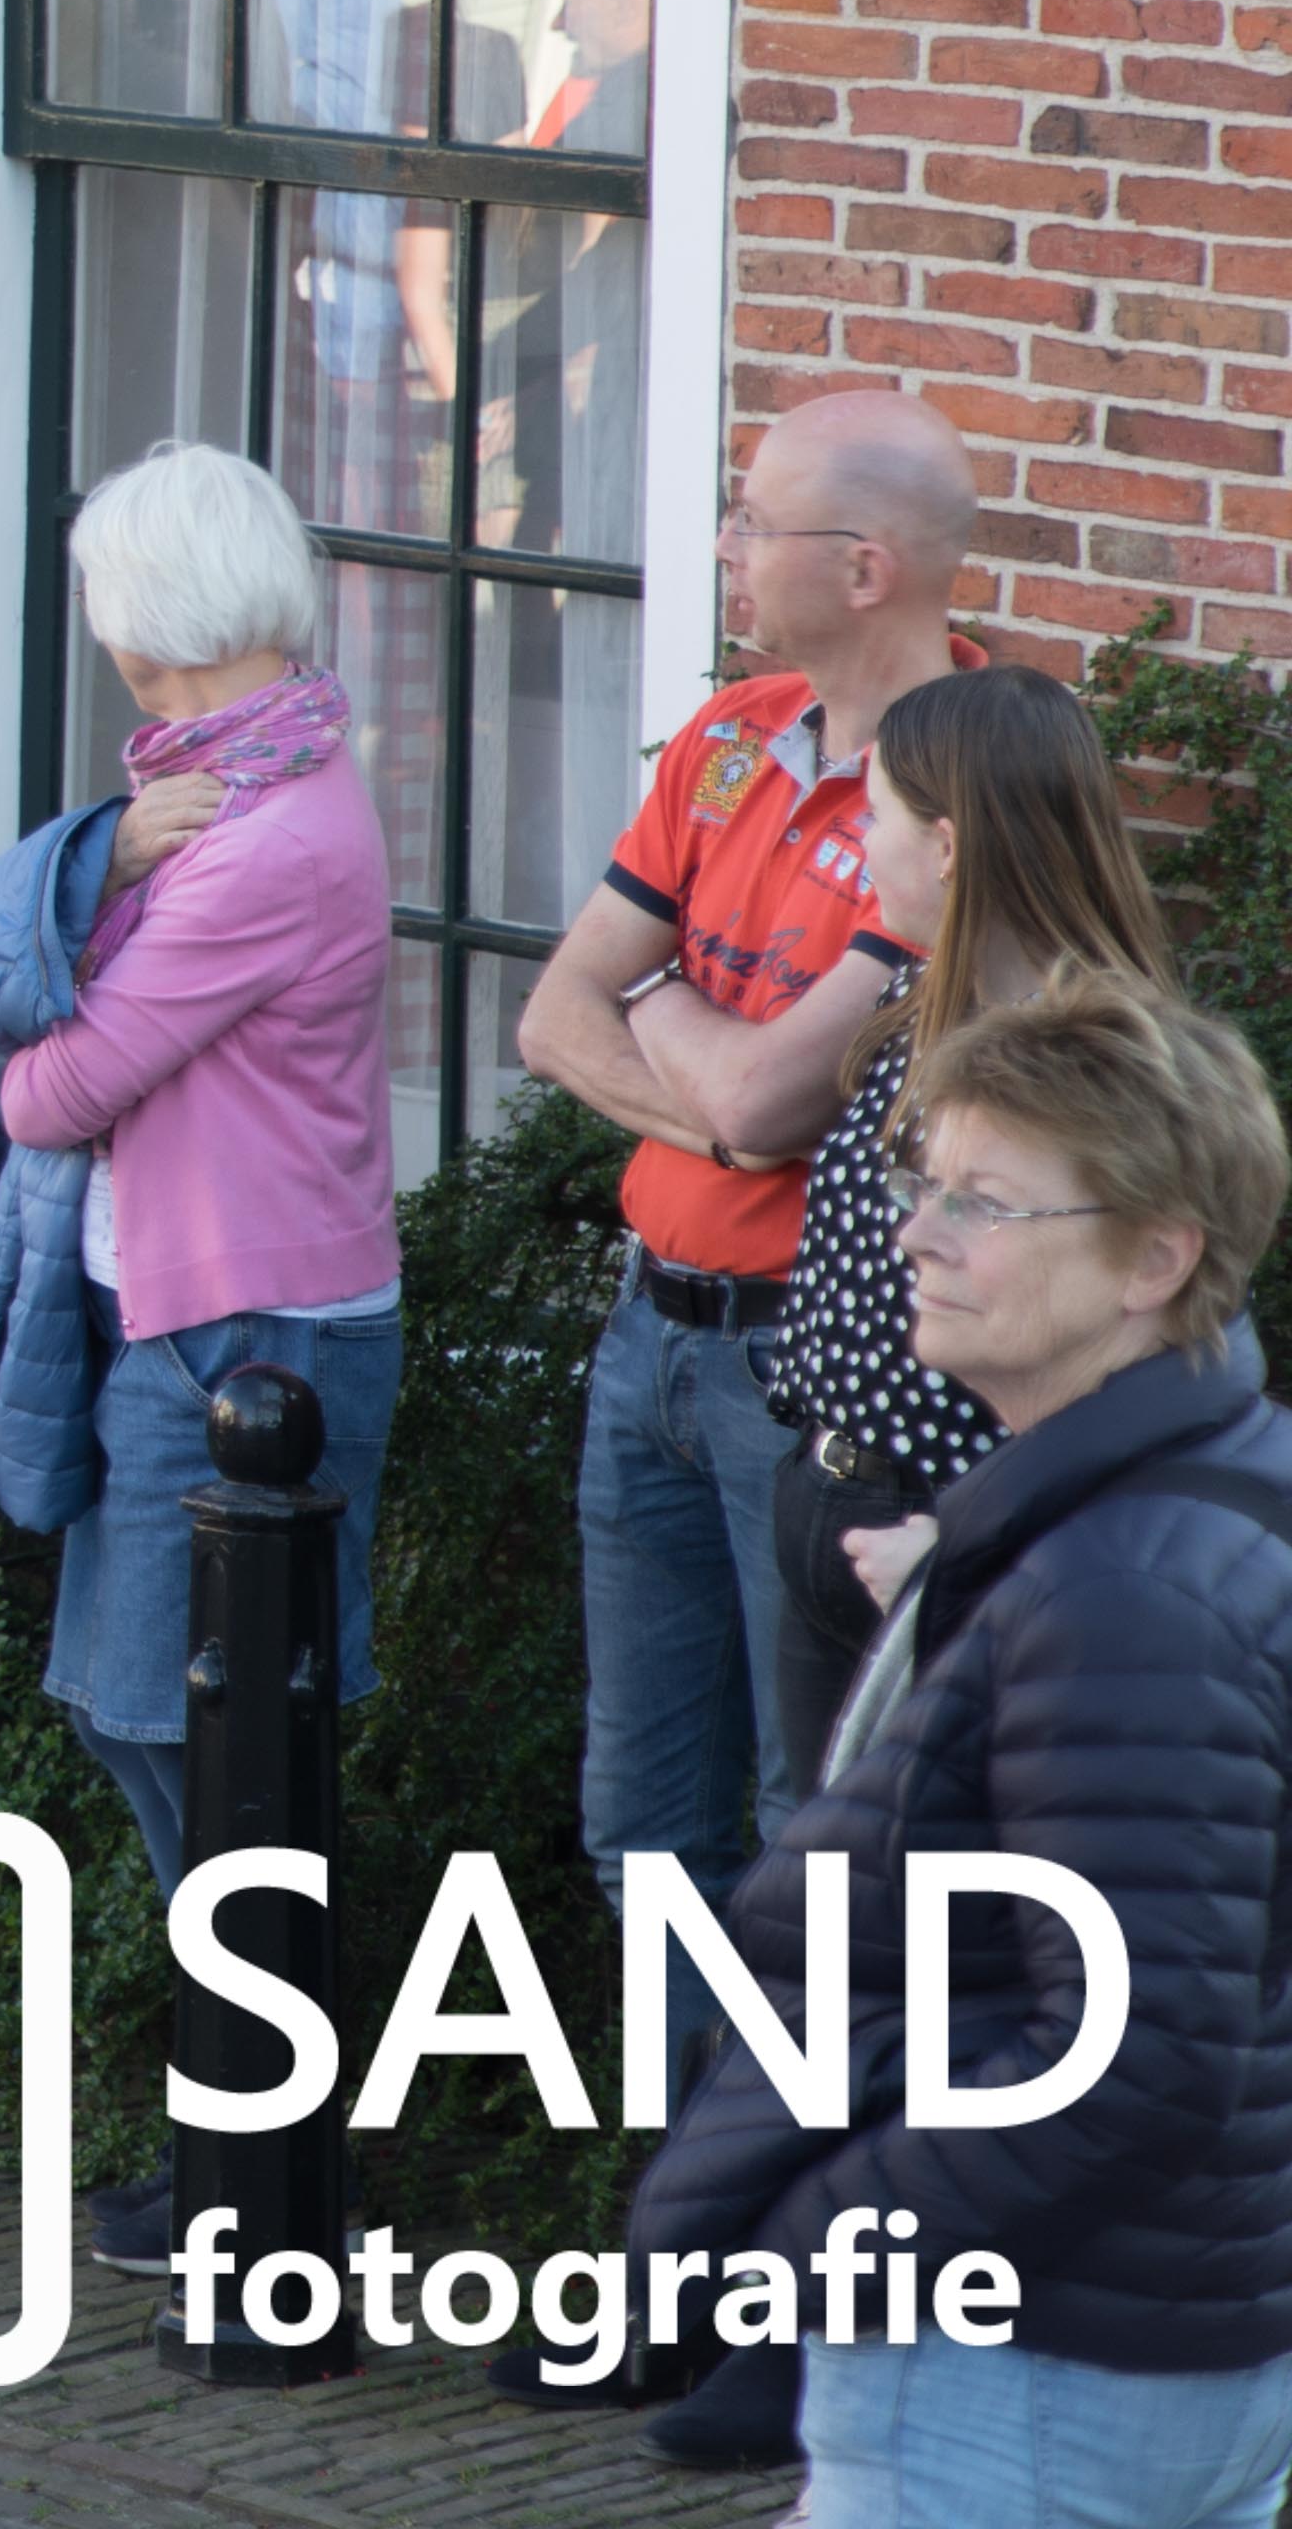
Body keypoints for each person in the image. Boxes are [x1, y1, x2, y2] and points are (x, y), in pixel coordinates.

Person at [624, 983, 1292, 2529]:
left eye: (980, 1204)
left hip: (1034, 2370)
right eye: (922, 1185)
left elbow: (1133, 2058)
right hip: (1153, 2339)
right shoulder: (1194, 1491)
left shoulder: (1124, 1587)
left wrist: (833, 2243)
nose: (914, 1233)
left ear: (1155, 1257)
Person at [496, 385, 980, 2448]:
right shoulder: (716, 740)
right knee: (646, 1827)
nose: (724, 549)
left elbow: (781, 1102)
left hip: (819, 1370)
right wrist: (718, 1058)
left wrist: (680, 1033)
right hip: (648, 1333)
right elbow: (543, 1010)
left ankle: (796, 2280)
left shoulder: (967, 783)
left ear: (858, 566)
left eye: (752, 519)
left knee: (816, 1846)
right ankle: (685, 2252)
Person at [0, 445, 404, 2280]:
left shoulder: (263, 840)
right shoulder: (233, 794)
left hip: (247, 1332)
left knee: (211, 1749)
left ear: (134, 630)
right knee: (159, 1732)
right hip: (191, 1305)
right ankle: (259, 2149)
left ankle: (274, 2175)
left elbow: (66, 1078)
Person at [752, 672, 1177, 1811]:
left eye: (874, 811)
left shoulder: (1086, 1066)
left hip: (950, 1526)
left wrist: (973, 1543)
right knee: (819, 1903)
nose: (857, 837)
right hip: (831, 1499)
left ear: (945, 845)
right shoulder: (923, 1003)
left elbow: (1161, 1353)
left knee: (944, 1919)